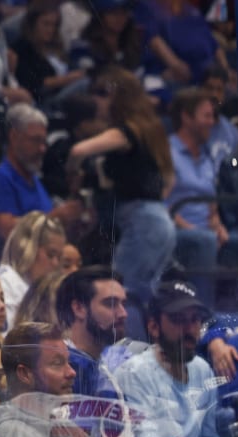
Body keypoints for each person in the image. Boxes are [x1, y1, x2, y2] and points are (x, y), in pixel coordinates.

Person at [68, 67, 178, 305]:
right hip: (160, 219)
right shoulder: (152, 130)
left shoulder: (126, 132)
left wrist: (73, 170)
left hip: (142, 221)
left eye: (102, 95)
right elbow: (170, 179)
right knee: (145, 296)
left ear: (116, 98)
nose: (98, 102)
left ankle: (125, 343)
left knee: (119, 293)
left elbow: (79, 150)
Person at [112, 281, 238, 437]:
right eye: (179, 320)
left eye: (195, 320)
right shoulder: (133, 372)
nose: (190, 329)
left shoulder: (202, 369)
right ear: (154, 327)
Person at [0, 105, 85, 240]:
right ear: (14, 137)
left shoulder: (33, 178)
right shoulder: (2, 178)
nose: (42, 149)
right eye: (35, 140)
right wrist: (55, 217)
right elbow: (6, 229)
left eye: (44, 142)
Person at [165, 88, 230, 281]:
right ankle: (204, 310)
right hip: (177, 232)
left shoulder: (207, 155)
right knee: (204, 241)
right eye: (207, 116)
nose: (212, 122)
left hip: (207, 233)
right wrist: (192, 229)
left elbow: (211, 200)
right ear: (186, 117)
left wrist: (218, 225)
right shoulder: (167, 152)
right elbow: (160, 204)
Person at [56, 267, 128, 399]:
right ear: (79, 308)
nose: (123, 313)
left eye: (123, 304)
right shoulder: (60, 368)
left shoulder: (112, 365)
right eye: (111, 303)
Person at [0, 211, 68, 316]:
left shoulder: (39, 291)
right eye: (50, 254)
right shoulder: (5, 283)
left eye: (59, 258)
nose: (56, 263)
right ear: (27, 247)